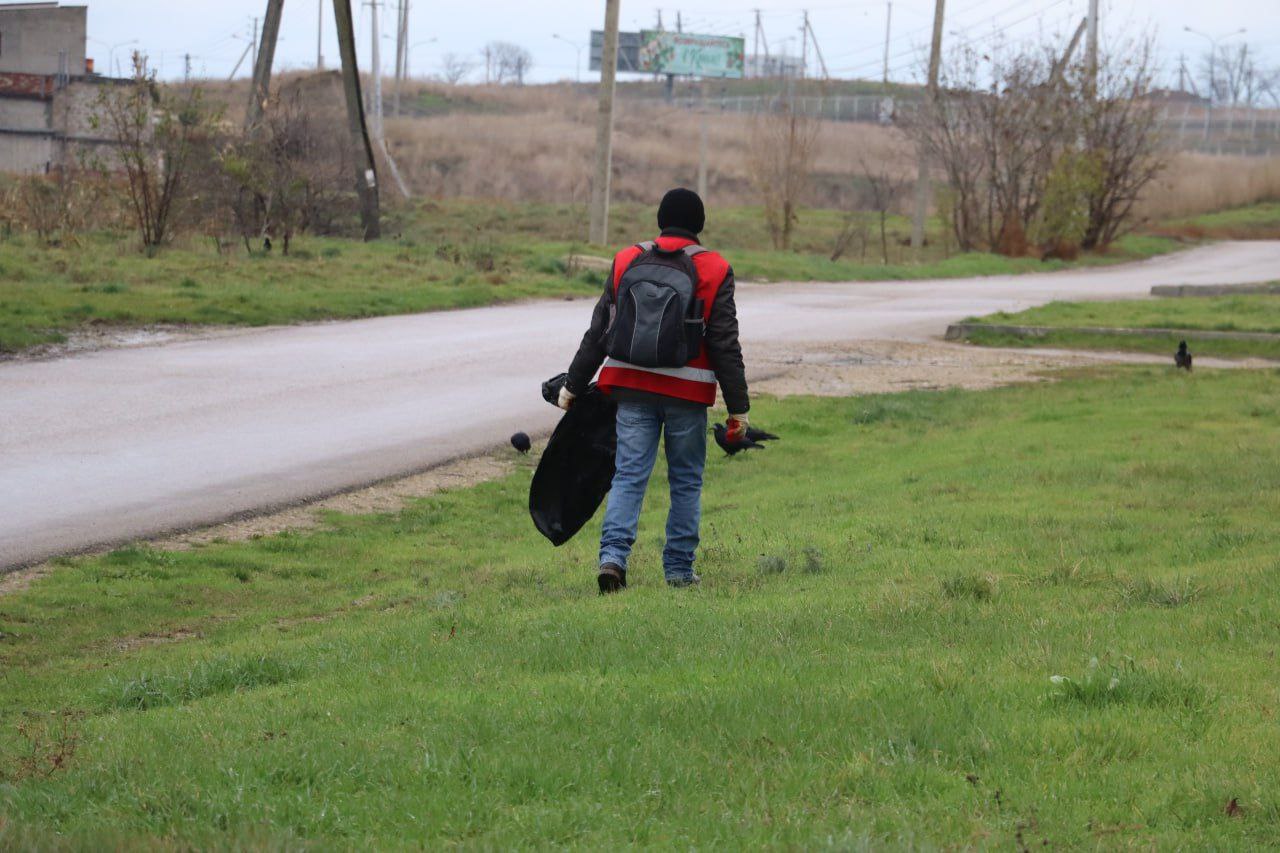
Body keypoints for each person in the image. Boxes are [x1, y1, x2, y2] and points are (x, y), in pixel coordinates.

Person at [559, 188, 750, 593]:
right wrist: (739, 409)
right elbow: (724, 344)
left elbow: (598, 331)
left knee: (629, 475)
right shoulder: (715, 268)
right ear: (699, 225)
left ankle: (612, 559)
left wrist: (573, 385)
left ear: (660, 219)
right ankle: (679, 571)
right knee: (685, 480)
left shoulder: (627, 259)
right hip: (687, 395)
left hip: (631, 389)